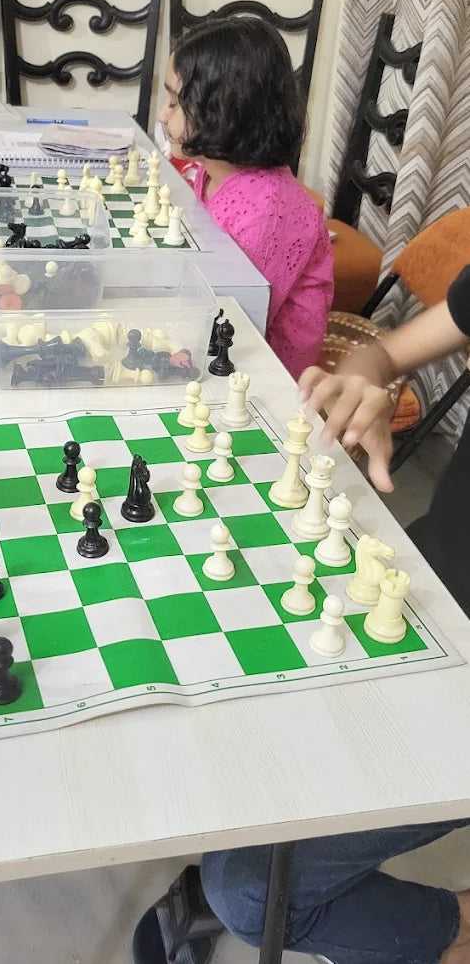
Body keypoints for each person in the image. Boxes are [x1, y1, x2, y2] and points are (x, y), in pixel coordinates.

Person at [136, 270, 470, 964]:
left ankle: (452, 933)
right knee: (212, 721)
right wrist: (367, 376)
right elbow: (385, 353)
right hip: (419, 596)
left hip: (454, 687)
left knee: (252, 891)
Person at [158, 18, 333, 380]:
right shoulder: (212, 171)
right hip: (218, 338)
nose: (162, 115)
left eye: (175, 103)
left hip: (262, 373)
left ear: (225, 111)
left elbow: (234, 314)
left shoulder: (267, 211)